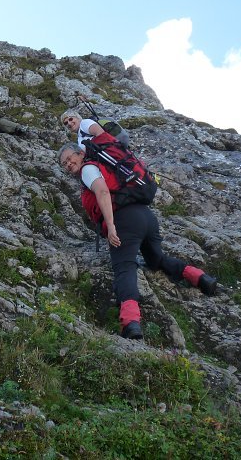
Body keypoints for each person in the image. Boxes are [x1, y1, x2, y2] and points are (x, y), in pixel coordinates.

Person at [58, 139, 217, 340]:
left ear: (81, 154)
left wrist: (112, 225)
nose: (68, 164)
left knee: (124, 267)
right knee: (156, 259)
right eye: (64, 164)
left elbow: (102, 191)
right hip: (146, 217)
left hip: (123, 220)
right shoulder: (102, 166)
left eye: (70, 159)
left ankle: (130, 323)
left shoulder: (88, 170)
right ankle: (202, 278)